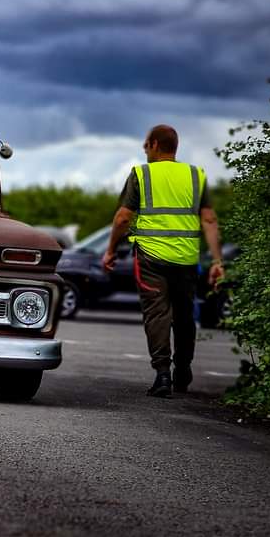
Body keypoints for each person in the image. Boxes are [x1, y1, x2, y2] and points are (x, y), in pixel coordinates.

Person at [103, 124, 224, 398]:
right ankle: (183, 370)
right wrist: (217, 261)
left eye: (146, 144)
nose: (144, 149)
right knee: (184, 315)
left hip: (151, 258)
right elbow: (209, 219)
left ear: (155, 145)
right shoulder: (195, 175)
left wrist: (110, 250)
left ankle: (162, 375)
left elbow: (123, 218)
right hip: (186, 258)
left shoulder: (142, 174)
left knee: (157, 315)